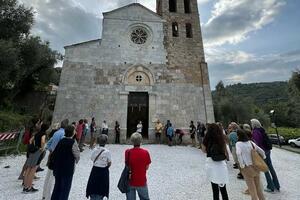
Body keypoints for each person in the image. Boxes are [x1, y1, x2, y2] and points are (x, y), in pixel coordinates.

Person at [51, 125, 80, 200]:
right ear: (73, 133)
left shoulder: (61, 140)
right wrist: (76, 160)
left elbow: (55, 152)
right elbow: (77, 155)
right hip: (68, 168)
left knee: (57, 186)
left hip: (58, 167)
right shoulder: (73, 142)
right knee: (65, 189)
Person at [251, 119, 280, 193]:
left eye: (251, 123)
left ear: (253, 124)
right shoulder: (262, 130)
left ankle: (270, 187)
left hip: (262, 151)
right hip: (268, 150)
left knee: (265, 169)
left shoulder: (255, 132)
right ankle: (277, 185)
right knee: (271, 167)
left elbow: (257, 143)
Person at [42, 119, 69, 200]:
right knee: (53, 179)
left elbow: (49, 143)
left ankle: (44, 195)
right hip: (58, 158)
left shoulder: (56, 132)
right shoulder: (64, 134)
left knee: (48, 176)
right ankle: (49, 197)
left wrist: (51, 150)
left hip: (52, 156)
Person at [236, 129, 266, 200]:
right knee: (258, 189)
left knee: (252, 190)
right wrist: (264, 157)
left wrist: (242, 165)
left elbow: (238, 153)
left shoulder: (238, 144)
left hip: (247, 168)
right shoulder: (251, 143)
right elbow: (262, 151)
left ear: (239, 136)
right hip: (256, 167)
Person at [202, 123, 229, 200]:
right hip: (221, 164)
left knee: (215, 189)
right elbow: (224, 149)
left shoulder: (206, 138)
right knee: (223, 189)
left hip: (211, 163)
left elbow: (203, 150)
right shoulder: (221, 138)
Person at [23, 123, 49, 193]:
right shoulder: (43, 134)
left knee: (28, 168)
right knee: (33, 170)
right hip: (37, 152)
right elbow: (43, 141)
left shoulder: (37, 133)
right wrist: (42, 148)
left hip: (32, 151)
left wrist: (33, 146)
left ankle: (25, 186)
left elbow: (30, 140)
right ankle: (29, 187)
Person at [125, 132, 151, 200]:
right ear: (141, 141)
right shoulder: (145, 152)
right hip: (141, 180)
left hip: (130, 180)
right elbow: (147, 167)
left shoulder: (127, 152)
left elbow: (127, 164)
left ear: (132, 141)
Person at [86, 134, 112, 200]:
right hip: (103, 171)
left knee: (93, 185)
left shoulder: (95, 150)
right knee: (101, 187)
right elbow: (109, 162)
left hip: (95, 170)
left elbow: (92, 158)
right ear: (105, 142)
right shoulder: (107, 152)